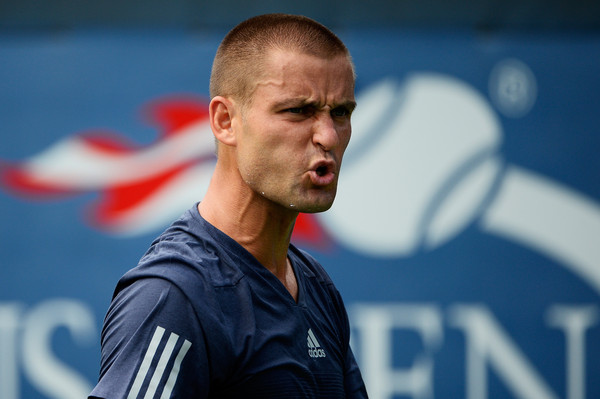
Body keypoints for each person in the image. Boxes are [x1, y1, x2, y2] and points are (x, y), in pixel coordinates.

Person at [89, 13, 367, 399]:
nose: (328, 135)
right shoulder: (174, 297)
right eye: (298, 111)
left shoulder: (315, 285)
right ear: (225, 121)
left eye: (341, 112)